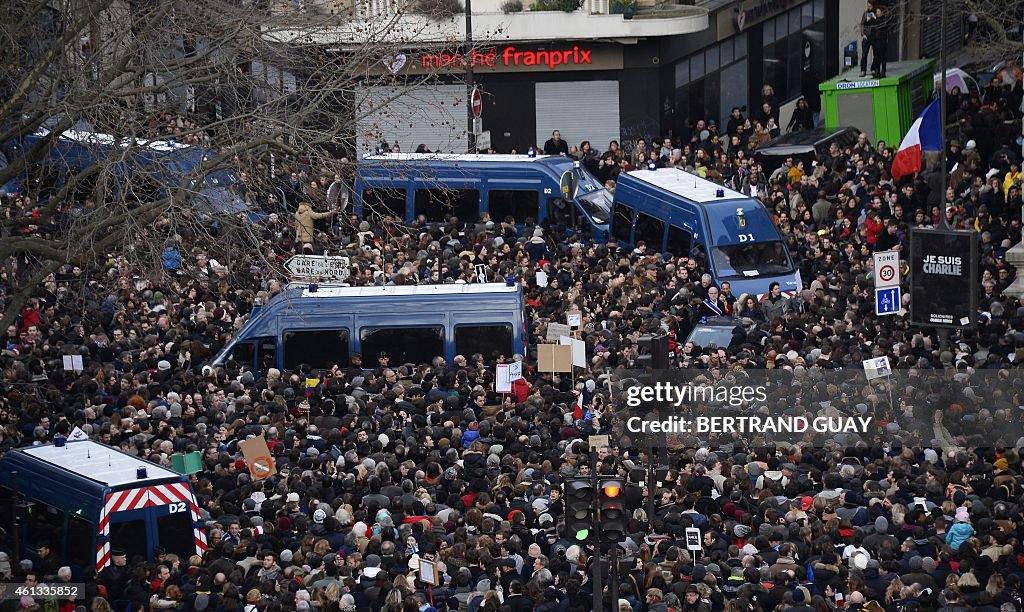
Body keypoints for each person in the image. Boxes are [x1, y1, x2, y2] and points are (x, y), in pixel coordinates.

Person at [870, 4, 890, 78]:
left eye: (878, 11)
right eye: (876, 11)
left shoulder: (884, 19)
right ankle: (877, 71)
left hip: (882, 41)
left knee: (882, 56)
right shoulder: (875, 20)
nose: (877, 13)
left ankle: (883, 71)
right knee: (876, 57)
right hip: (875, 41)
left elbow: (882, 26)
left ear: (882, 12)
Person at [860, 1, 877, 77]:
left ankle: (873, 68)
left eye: (870, 6)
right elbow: (862, 24)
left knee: (876, 54)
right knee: (864, 54)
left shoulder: (876, 13)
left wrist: (874, 17)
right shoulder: (865, 13)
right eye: (868, 6)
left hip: (874, 36)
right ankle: (863, 70)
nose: (868, 8)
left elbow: (879, 23)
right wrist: (863, 34)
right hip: (866, 36)